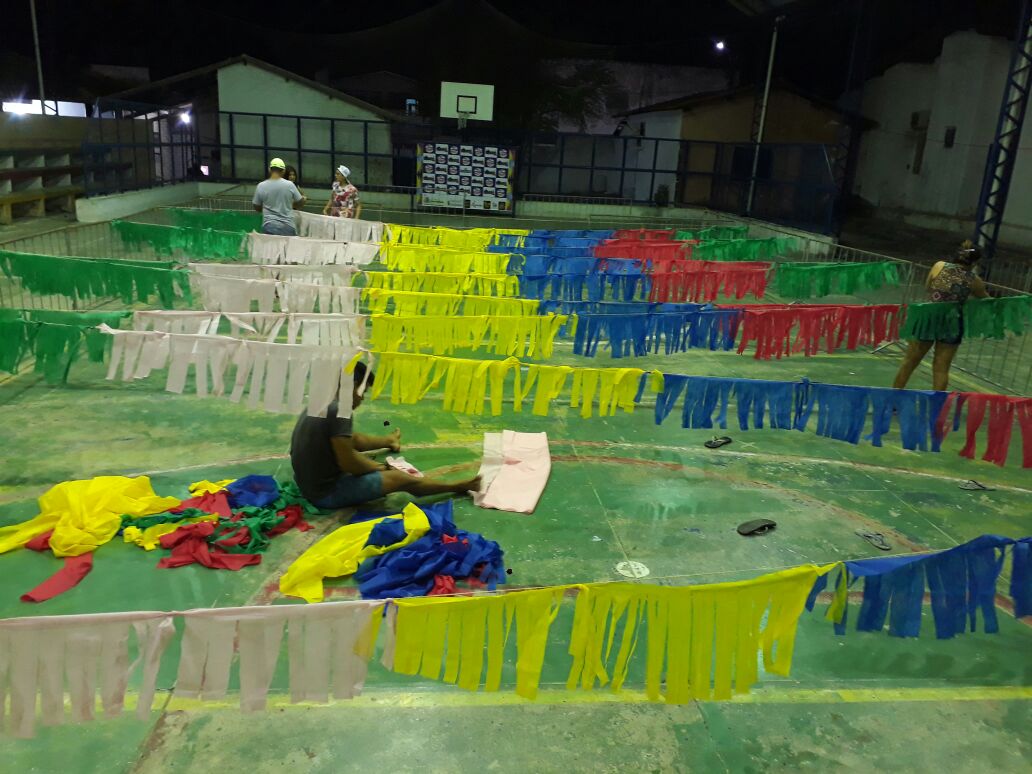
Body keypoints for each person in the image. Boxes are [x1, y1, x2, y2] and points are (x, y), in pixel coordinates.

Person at [290, 362, 480, 509]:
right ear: (354, 385)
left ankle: (388, 441)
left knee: (352, 439)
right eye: (363, 392)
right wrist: (381, 468)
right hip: (324, 494)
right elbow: (350, 464)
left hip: (308, 483)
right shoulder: (341, 410)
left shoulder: (323, 400)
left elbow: (352, 441)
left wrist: (384, 445)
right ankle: (457, 486)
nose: (362, 399)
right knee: (399, 478)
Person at [892, 240, 989, 391]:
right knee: (941, 369)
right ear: (975, 262)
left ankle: (894, 397)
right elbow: (986, 301)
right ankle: (937, 404)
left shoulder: (939, 266)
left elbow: (928, 287)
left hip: (929, 317)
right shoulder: (975, 281)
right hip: (952, 323)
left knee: (909, 362)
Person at [252, 158, 306, 235]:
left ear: (269, 170)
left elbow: (256, 206)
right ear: (283, 171)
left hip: (269, 226)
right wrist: (301, 200)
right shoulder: (290, 185)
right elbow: (300, 202)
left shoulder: (261, 186)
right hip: (288, 227)